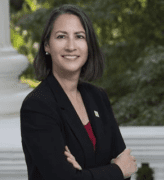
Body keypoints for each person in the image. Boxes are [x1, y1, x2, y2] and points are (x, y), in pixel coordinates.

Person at [20, 4, 138, 180]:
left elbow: (126, 165)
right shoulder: (37, 106)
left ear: (88, 45)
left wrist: (82, 173)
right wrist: (114, 170)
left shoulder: (98, 97)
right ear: (47, 45)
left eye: (79, 37)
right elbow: (63, 178)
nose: (71, 46)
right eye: (61, 37)